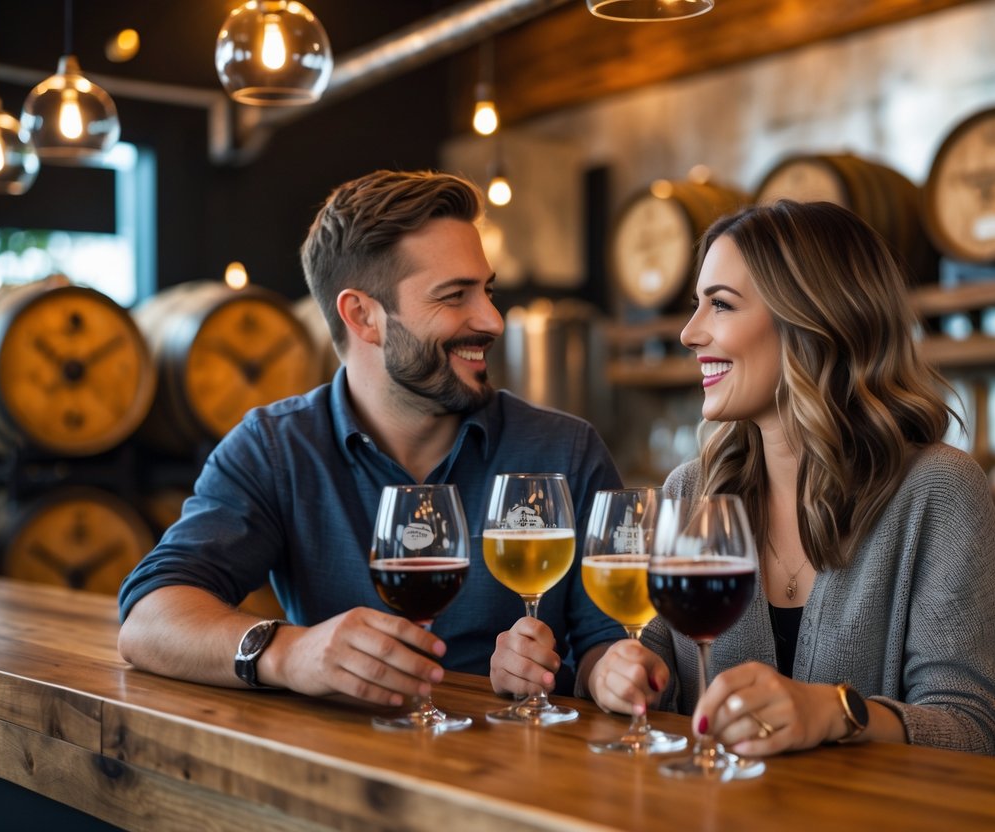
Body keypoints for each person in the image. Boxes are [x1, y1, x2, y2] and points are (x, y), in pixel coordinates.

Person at [118, 170, 624, 708]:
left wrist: (595, 673)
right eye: (455, 296)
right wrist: (290, 653)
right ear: (362, 316)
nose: (493, 320)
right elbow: (149, 619)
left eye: (488, 291)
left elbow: (608, 644)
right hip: (339, 756)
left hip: (514, 756)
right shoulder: (276, 449)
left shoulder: (566, 450)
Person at [589, 200, 995, 756]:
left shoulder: (940, 490)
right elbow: (657, 681)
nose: (689, 333)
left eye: (720, 305)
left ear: (812, 321)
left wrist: (834, 713)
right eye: (697, 305)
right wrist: (616, 676)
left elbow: (971, 731)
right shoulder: (690, 492)